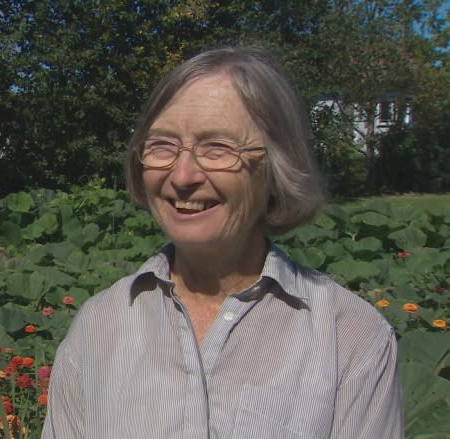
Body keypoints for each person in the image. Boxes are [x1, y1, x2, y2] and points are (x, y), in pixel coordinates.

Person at [41, 46, 403, 439]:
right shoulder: (100, 326)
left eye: (218, 148)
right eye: (162, 145)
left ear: (276, 166)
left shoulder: (349, 338)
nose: (182, 175)